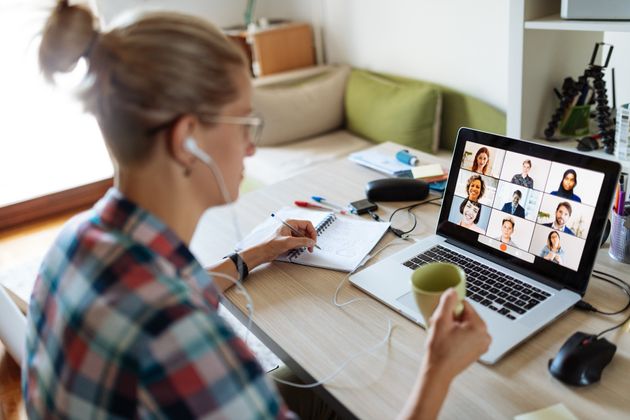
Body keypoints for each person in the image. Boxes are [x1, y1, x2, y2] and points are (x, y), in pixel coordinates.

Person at [24, 3, 491, 419]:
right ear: (186, 140)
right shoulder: (181, 338)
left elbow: (175, 288)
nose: (252, 145)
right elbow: (170, 318)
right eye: (246, 121)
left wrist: (260, 252)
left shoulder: (78, 239)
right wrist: (438, 371)